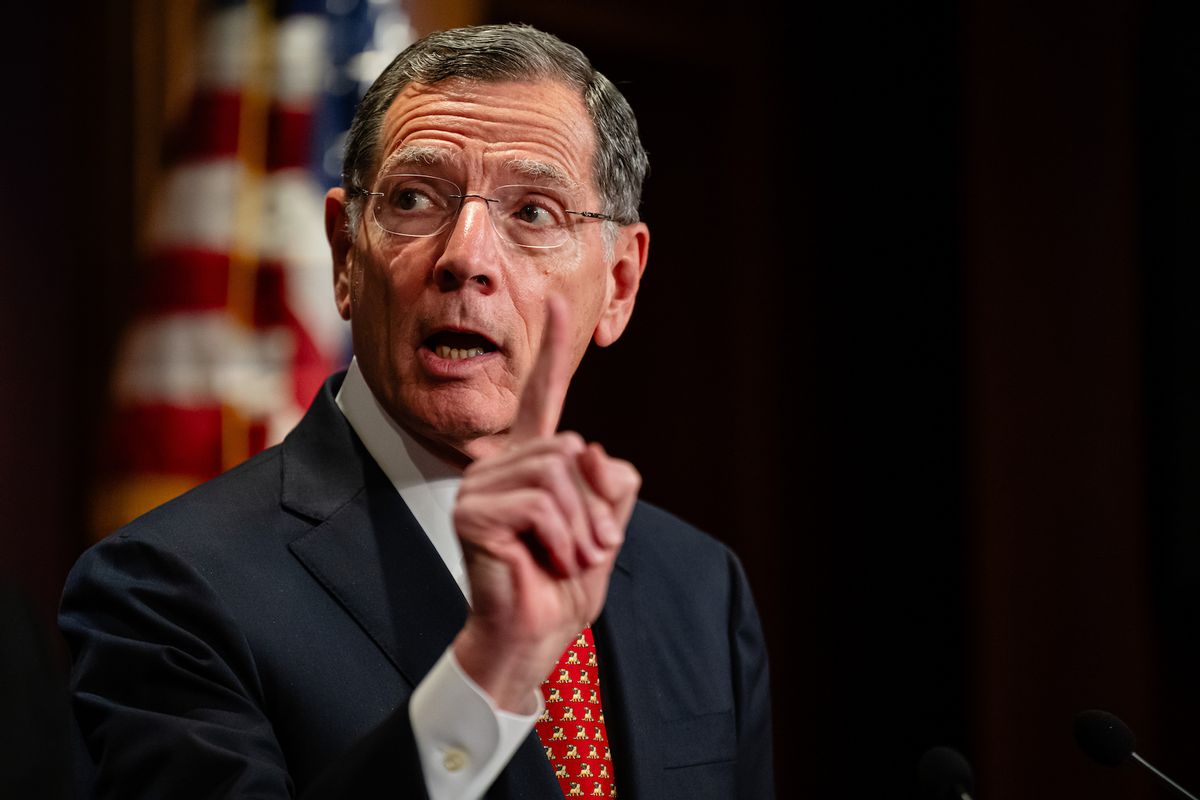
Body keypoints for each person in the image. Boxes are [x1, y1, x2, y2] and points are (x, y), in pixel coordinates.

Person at [60, 23, 774, 799]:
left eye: (533, 212)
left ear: (621, 284)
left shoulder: (700, 587)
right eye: (413, 197)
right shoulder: (168, 590)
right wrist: (487, 678)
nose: (465, 256)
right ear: (343, 255)